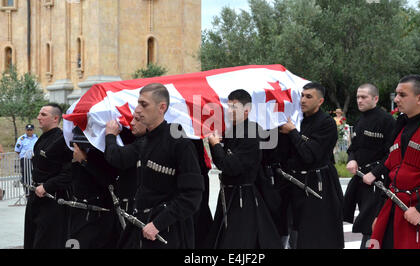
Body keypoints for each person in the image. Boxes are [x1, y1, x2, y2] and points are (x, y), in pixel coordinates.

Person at [363, 75, 420, 249]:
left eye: (402, 95)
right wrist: (379, 213)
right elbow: (390, 171)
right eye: (396, 94)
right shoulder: (399, 126)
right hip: (392, 209)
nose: (396, 99)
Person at [119, 83, 204, 249]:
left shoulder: (179, 141)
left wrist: (158, 223)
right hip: (141, 228)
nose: (137, 110)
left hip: (167, 233)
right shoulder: (145, 141)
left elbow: (192, 195)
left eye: (144, 104)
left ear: (162, 107)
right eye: (138, 103)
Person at [204, 89, 281, 249]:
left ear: (247, 110)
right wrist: (216, 145)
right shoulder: (232, 131)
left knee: (240, 242)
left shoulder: (251, 132)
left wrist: (216, 145)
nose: (230, 111)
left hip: (243, 197)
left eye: (235, 107)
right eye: (229, 107)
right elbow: (223, 163)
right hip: (229, 194)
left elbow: (230, 166)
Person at [280, 82, 344, 249]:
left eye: (309, 97)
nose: (302, 100)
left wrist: (293, 132)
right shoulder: (297, 119)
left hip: (318, 183)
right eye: (302, 95)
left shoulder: (326, 123)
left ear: (320, 101)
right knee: (294, 230)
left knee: (316, 235)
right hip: (294, 184)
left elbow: (310, 155)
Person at [343, 83, 395, 248]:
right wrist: (351, 159)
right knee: (360, 221)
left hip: (377, 181)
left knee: (372, 223)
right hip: (360, 179)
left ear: (376, 98)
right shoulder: (360, 119)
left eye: (364, 97)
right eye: (358, 97)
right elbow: (354, 147)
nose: (359, 100)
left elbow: (392, 153)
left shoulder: (387, 121)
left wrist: (375, 173)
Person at [24, 103, 73, 249]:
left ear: (55, 118)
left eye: (43, 115)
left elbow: (69, 172)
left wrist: (47, 186)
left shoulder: (62, 139)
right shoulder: (41, 139)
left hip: (52, 200)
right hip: (35, 197)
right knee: (31, 238)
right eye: (39, 114)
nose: (39, 117)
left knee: (46, 241)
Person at [68, 126, 120, 249]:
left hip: (101, 211)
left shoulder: (105, 154)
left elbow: (109, 181)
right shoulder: (76, 153)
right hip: (79, 209)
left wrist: (85, 161)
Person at [15, 124, 38, 191]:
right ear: (25, 130)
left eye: (31, 130)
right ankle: (27, 191)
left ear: (33, 130)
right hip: (25, 159)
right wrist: (23, 156)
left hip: (34, 159)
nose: (29, 131)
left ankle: (34, 190)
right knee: (26, 176)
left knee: (35, 174)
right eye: (28, 130)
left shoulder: (36, 138)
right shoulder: (21, 139)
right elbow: (17, 150)